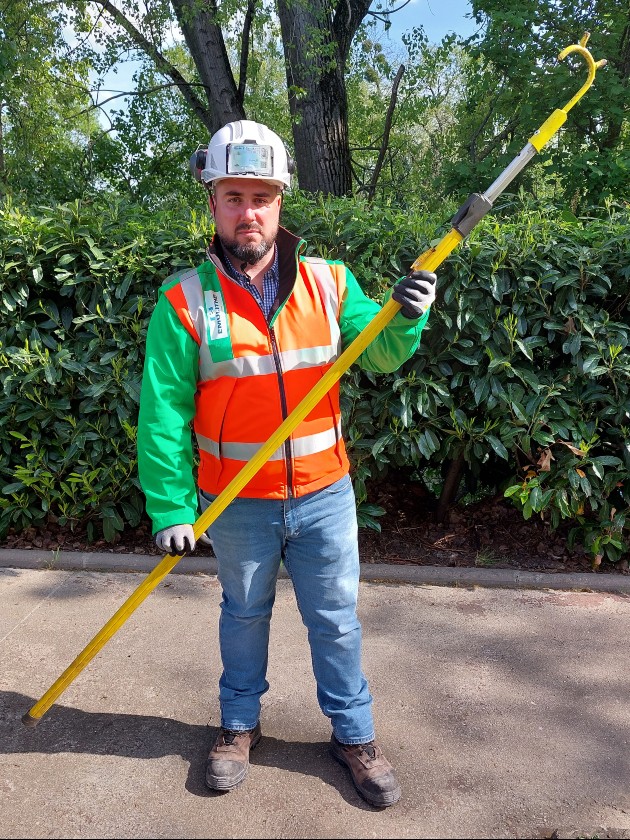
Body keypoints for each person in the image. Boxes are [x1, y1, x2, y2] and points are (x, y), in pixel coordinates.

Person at [137, 120, 437, 808]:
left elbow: (384, 352)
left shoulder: (331, 283)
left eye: (262, 196)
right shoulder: (183, 300)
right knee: (243, 614)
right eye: (234, 195)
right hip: (235, 502)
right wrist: (173, 507)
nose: (250, 210)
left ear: (281, 203)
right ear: (212, 201)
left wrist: (407, 316)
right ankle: (238, 725)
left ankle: (354, 735)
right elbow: (162, 413)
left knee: (334, 619)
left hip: (325, 494)